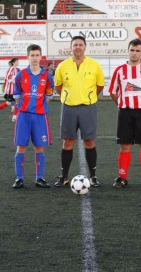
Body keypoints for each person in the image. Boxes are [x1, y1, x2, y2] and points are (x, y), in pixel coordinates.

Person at [54, 35, 105, 187]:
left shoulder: (94, 65)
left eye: (80, 44)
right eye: (75, 44)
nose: (78, 47)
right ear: (71, 47)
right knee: (68, 141)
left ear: (85, 47)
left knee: (89, 141)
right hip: (68, 108)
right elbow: (58, 86)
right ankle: (64, 177)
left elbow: (100, 86)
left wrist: (87, 97)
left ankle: (93, 176)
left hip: (87, 108)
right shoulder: (62, 66)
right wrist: (70, 97)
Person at [108, 38, 141, 188]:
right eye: (132, 50)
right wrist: (123, 104)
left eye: (137, 51)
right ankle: (122, 177)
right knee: (125, 145)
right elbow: (112, 92)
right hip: (126, 113)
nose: (134, 53)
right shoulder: (119, 70)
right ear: (128, 50)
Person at [12, 44, 54, 189]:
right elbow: (16, 96)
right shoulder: (20, 75)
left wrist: (38, 106)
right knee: (21, 147)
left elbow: (49, 95)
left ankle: (39, 178)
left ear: (40, 57)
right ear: (27, 56)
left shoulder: (47, 76)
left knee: (39, 147)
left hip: (39, 117)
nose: (35, 58)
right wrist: (22, 108)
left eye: (37, 55)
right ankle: (19, 179)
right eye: (32, 55)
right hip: (23, 116)